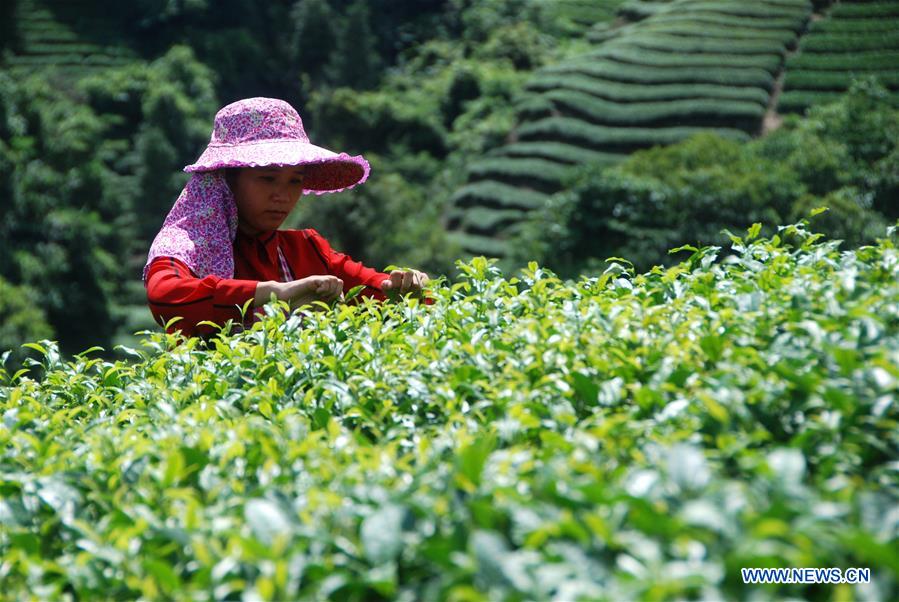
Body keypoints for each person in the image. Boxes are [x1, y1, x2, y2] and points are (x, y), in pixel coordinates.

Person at [143, 97, 433, 339]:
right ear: (227, 179)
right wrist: (277, 293)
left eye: (295, 181)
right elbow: (165, 296)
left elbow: (379, 290)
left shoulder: (306, 250)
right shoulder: (184, 245)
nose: (282, 195)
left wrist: (405, 289)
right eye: (267, 178)